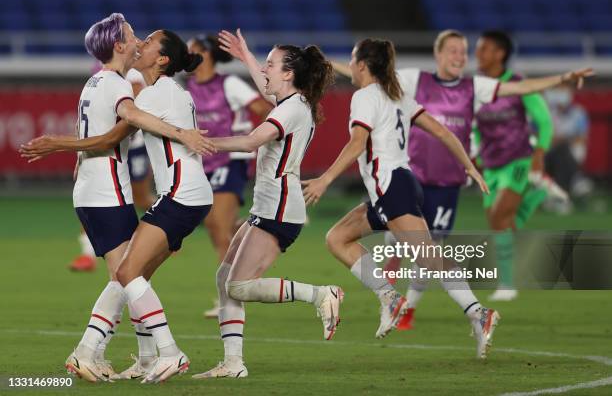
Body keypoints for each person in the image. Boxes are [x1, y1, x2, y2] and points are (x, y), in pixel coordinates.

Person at [20, 15, 212, 383]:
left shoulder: (96, 82)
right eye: (133, 36)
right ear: (119, 46)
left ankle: (104, 353)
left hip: (105, 191)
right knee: (128, 275)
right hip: (109, 192)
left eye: (146, 38)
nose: (139, 40)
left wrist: (71, 150)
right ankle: (152, 352)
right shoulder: (124, 86)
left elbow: (101, 127)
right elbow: (119, 128)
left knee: (128, 277)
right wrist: (183, 134)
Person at [303, 38, 501, 358]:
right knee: (337, 238)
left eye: (353, 59)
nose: (350, 65)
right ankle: (390, 298)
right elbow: (442, 131)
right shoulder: (397, 95)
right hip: (398, 185)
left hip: (392, 187)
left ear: (363, 65)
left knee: (428, 257)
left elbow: (357, 143)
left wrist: (325, 179)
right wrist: (470, 167)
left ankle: (479, 313)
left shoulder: (366, 96)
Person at [191, 29, 340, 379]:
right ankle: (232, 363)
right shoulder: (290, 103)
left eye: (271, 65)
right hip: (268, 207)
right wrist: (246, 55)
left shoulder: (292, 111)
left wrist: (201, 142)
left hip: (280, 210)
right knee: (225, 277)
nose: (266, 70)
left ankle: (321, 294)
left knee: (238, 285)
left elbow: (251, 141)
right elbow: (264, 85)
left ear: (288, 73)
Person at [186, 34, 273, 318]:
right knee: (216, 226)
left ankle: (229, 298)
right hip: (204, 161)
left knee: (216, 224)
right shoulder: (188, 87)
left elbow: (262, 107)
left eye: (193, 49)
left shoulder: (228, 83)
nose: (188, 53)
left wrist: (255, 138)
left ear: (206, 54)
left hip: (231, 160)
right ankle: (255, 231)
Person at [471, 30, 553, 301]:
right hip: (491, 165)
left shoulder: (518, 85)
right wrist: (478, 159)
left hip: (518, 160)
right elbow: (477, 128)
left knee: (498, 217)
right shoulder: (477, 88)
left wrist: (539, 152)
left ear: (499, 54)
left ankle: (507, 285)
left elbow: (544, 120)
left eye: (483, 49)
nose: (477, 54)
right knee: (500, 224)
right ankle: (536, 196)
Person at [70, 68, 156, 272]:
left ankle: (168, 230)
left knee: (142, 199)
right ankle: (87, 254)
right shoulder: (100, 75)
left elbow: (136, 111)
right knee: (92, 197)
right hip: (107, 149)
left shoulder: (131, 73)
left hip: (132, 148)